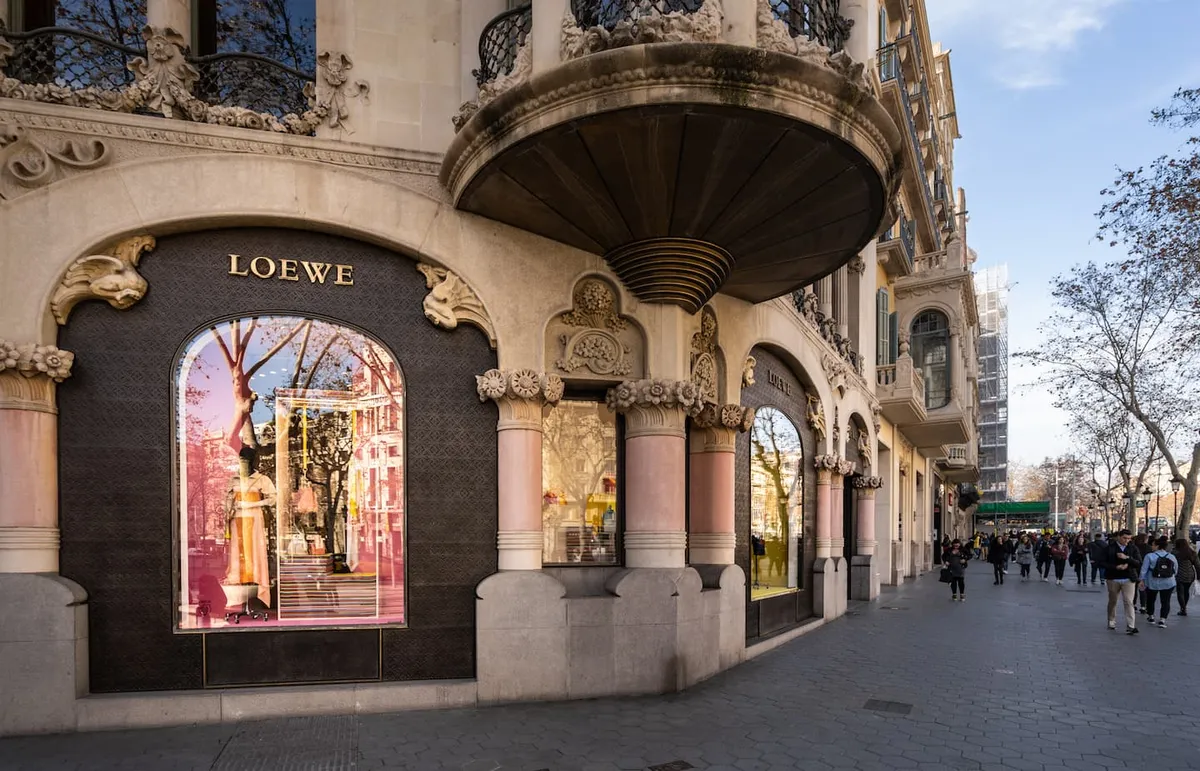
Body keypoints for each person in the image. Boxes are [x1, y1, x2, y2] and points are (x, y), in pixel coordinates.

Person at [1104, 530, 1143, 634]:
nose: (1127, 541)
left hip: (1128, 578)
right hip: (1113, 578)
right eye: (1124, 538)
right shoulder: (1110, 548)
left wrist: (1127, 559)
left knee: (1129, 601)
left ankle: (1131, 625)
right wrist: (1116, 567)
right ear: (1119, 537)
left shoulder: (1133, 548)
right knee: (1113, 601)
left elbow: (1138, 563)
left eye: (1129, 538)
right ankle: (1111, 621)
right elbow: (1103, 563)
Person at [1140, 536, 1179, 628]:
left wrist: (1141, 580)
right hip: (1168, 582)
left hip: (1152, 582)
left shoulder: (1149, 556)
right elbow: (1176, 570)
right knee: (1165, 601)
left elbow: (1144, 570)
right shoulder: (1171, 556)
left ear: (1157, 546)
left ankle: (1151, 616)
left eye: (1153, 545)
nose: (1151, 547)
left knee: (1150, 599)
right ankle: (1162, 619)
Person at [1173, 539, 1200, 616]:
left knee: (1180, 592)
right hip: (1190, 575)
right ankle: (1184, 607)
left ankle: (1183, 608)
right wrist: (1198, 576)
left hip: (1179, 574)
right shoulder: (1192, 553)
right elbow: (1197, 565)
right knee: (1186, 591)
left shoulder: (1175, 553)